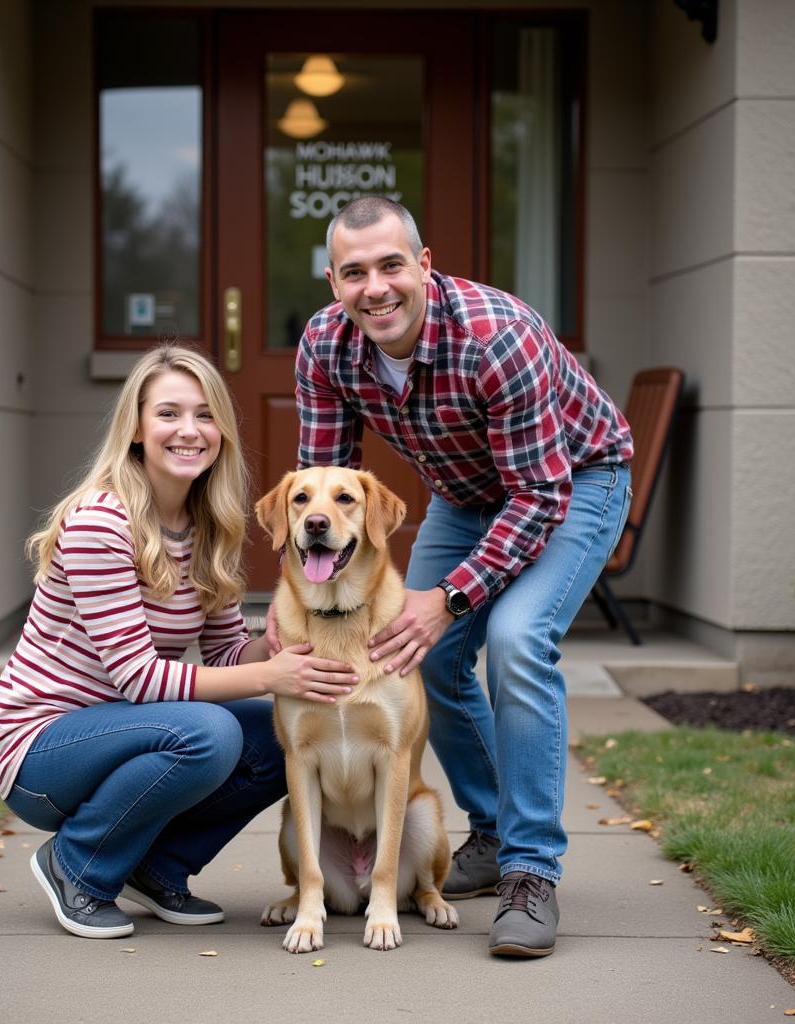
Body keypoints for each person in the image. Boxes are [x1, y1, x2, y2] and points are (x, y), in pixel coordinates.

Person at [273, 196, 634, 958]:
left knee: (515, 639)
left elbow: (538, 495)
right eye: (354, 272)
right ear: (334, 281)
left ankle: (531, 871)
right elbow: (325, 484)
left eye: (391, 266)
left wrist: (453, 597)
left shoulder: (496, 337)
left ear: (424, 265)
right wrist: (295, 598)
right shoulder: (325, 345)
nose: (375, 288)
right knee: (420, 649)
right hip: (467, 494)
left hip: (572, 483)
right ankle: (494, 829)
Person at [0, 345, 356, 940]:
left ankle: (156, 866)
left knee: (278, 736)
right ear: (135, 427)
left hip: (125, 732)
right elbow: (141, 679)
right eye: (169, 413)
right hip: (42, 749)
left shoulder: (210, 525)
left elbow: (227, 657)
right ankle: (75, 863)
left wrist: (272, 648)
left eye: (205, 415)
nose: (190, 430)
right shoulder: (101, 523)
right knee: (208, 734)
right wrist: (269, 676)